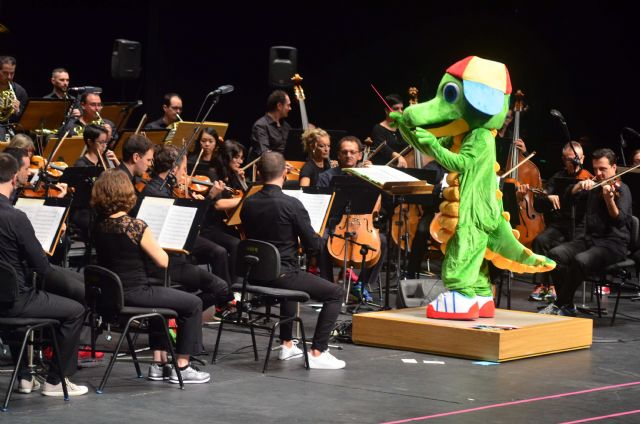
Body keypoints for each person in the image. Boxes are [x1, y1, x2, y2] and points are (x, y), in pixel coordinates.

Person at [91, 168, 210, 383]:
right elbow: (162, 261)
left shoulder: (98, 225)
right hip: (136, 293)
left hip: (112, 295)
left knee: (161, 299)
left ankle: (159, 363)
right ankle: (182, 367)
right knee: (193, 304)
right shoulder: (136, 226)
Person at [241, 151, 345, 369]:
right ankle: (318, 351)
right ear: (285, 174)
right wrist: (312, 236)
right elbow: (313, 247)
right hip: (282, 275)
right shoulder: (292, 205)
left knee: (291, 277)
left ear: (259, 174)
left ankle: (287, 344)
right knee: (335, 294)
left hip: (254, 275)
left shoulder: (248, 203)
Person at [0, 152, 88, 396]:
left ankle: (25, 377)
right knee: (75, 310)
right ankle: (55, 381)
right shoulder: (16, 218)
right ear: (15, 178)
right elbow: (42, 268)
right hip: (15, 301)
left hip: (5, 298)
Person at [540, 148, 632, 316]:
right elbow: (568, 199)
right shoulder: (594, 186)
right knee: (555, 255)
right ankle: (567, 305)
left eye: (603, 169)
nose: (598, 173)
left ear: (614, 168)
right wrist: (578, 186)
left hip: (613, 244)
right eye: (595, 168)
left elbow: (620, 220)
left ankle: (560, 303)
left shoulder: (622, 189)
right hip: (589, 240)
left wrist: (609, 200)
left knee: (580, 260)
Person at [141, 144, 234, 309]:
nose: (185, 174)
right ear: (173, 169)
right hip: (167, 257)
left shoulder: (159, 187)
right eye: (183, 169)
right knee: (220, 287)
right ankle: (186, 312)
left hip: (168, 253)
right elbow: (188, 229)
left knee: (217, 252)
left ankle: (217, 302)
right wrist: (207, 200)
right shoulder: (158, 193)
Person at [519, 141, 589, 301]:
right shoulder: (558, 177)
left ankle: (561, 288)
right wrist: (547, 196)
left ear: (582, 159)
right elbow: (538, 203)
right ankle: (543, 286)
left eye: (574, 159)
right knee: (541, 240)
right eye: (566, 159)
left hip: (580, 226)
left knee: (565, 250)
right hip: (560, 224)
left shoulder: (588, 178)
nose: (570, 162)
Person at [316, 136, 384, 294]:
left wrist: (375, 175)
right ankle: (328, 287)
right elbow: (322, 207)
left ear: (360, 155)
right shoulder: (326, 177)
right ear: (338, 155)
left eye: (353, 152)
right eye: (344, 152)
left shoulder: (369, 177)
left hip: (362, 225)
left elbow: (381, 202)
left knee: (382, 242)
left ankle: (362, 284)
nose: (348, 155)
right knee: (322, 240)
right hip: (334, 224)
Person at [199, 140, 246, 285]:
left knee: (246, 241)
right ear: (226, 157)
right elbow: (219, 204)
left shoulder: (232, 175)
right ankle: (231, 286)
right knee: (236, 244)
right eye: (236, 157)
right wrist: (247, 200)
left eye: (242, 158)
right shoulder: (213, 174)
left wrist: (242, 181)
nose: (240, 161)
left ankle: (241, 284)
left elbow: (241, 194)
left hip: (225, 225)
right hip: (209, 227)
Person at [247, 90, 291, 163]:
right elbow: (265, 154)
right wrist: (282, 165)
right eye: (288, 105)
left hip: (285, 167)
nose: (290, 108)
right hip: (269, 170)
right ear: (279, 106)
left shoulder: (286, 126)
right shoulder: (260, 126)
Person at [370, 94, 408, 167]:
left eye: (401, 108)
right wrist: (398, 157)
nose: (400, 112)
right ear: (387, 111)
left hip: (404, 166)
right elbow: (383, 148)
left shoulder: (403, 128)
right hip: (384, 168)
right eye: (396, 109)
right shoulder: (378, 129)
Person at [0, 56, 28, 141]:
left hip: (10, 128)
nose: (9, 77)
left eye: (12, 73)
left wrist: (17, 111)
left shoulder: (20, 91)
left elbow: (24, 120)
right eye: (5, 73)